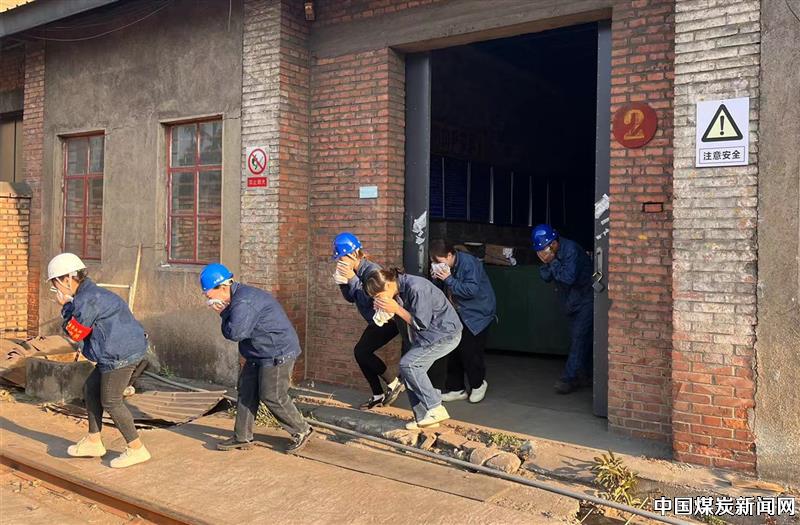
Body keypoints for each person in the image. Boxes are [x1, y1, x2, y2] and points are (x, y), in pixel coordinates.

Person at [49, 253, 151, 468]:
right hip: (118, 350)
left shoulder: (87, 299)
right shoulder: (90, 294)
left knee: (111, 401)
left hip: (119, 356)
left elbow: (76, 332)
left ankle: (136, 448)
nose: (55, 289)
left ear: (67, 279)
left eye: (55, 283)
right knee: (91, 388)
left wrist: (65, 307)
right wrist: (70, 305)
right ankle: (94, 441)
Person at [200, 263, 313, 453]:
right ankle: (242, 436)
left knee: (272, 395)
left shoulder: (243, 302)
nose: (208, 299)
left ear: (224, 287)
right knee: (247, 390)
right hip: (258, 352)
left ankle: (302, 430)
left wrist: (223, 313)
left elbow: (236, 333)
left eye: (209, 295)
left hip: (277, 351)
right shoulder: (236, 298)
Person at [365, 268, 462, 429]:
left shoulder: (417, 288)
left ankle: (435, 408)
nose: (378, 299)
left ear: (388, 285)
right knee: (408, 372)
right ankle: (423, 418)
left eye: (378, 295)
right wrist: (386, 312)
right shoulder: (397, 290)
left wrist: (396, 309)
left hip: (444, 334)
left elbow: (421, 323)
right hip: (427, 337)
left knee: (409, 364)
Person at [333, 232, 405, 410]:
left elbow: (370, 300)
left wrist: (351, 278)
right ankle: (378, 394)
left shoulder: (372, 270)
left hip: (387, 320)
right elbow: (351, 298)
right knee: (361, 353)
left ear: (352, 255)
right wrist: (343, 283)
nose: (340, 261)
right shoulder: (355, 271)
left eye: (342, 257)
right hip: (375, 320)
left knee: (362, 352)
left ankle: (393, 383)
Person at [429, 240, 496, 404]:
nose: (437, 265)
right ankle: (456, 388)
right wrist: (437, 278)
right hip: (457, 313)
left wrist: (448, 279)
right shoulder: (448, 266)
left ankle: (478, 385)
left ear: (449, 255)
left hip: (476, 314)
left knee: (470, 352)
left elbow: (471, 291)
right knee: (452, 350)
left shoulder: (469, 263)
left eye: (439, 261)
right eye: (434, 262)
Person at [532, 224, 594, 394]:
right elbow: (545, 276)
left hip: (585, 299)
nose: (542, 253)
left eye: (544, 250)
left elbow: (568, 278)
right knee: (582, 339)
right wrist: (548, 261)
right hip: (571, 301)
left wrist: (552, 261)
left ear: (553, 243)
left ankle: (568, 378)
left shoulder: (571, 250)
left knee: (579, 339)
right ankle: (585, 375)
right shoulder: (550, 253)